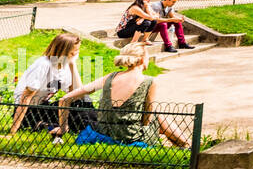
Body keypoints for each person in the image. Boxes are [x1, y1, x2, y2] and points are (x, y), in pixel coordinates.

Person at [55, 43, 188, 148]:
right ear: (142, 59)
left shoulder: (110, 77)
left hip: (103, 132)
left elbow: (65, 98)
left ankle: (183, 144)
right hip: (130, 136)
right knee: (159, 116)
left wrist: (62, 128)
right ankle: (186, 145)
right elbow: (148, 117)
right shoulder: (149, 81)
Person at [9, 33, 90, 134]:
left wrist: (73, 65)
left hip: (43, 108)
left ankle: (92, 126)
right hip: (28, 111)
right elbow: (26, 98)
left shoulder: (64, 66)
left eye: (77, 51)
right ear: (62, 52)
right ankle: (53, 127)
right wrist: (12, 131)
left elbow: (77, 93)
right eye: (72, 53)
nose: (75, 55)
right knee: (79, 118)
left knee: (83, 102)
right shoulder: (43, 65)